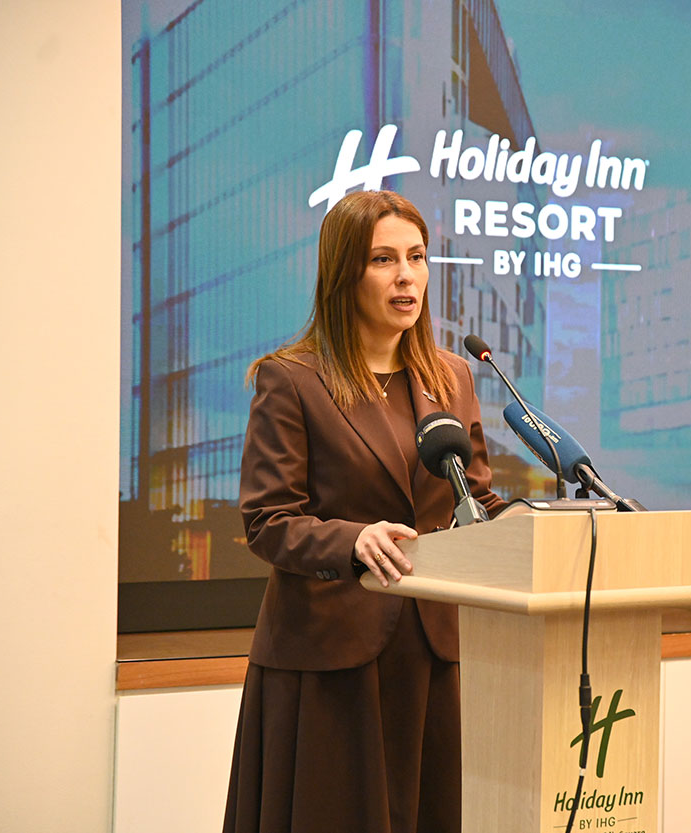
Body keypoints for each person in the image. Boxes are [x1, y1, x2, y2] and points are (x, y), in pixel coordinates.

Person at [223, 190, 506, 833]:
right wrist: (351, 541)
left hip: (433, 650)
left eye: (417, 257)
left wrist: (532, 524)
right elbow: (268, 520)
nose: (407, 276)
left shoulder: (452, 376)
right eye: (384, 260)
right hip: (331, 657)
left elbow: (476, 498)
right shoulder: (292, 379)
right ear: (345, 273)